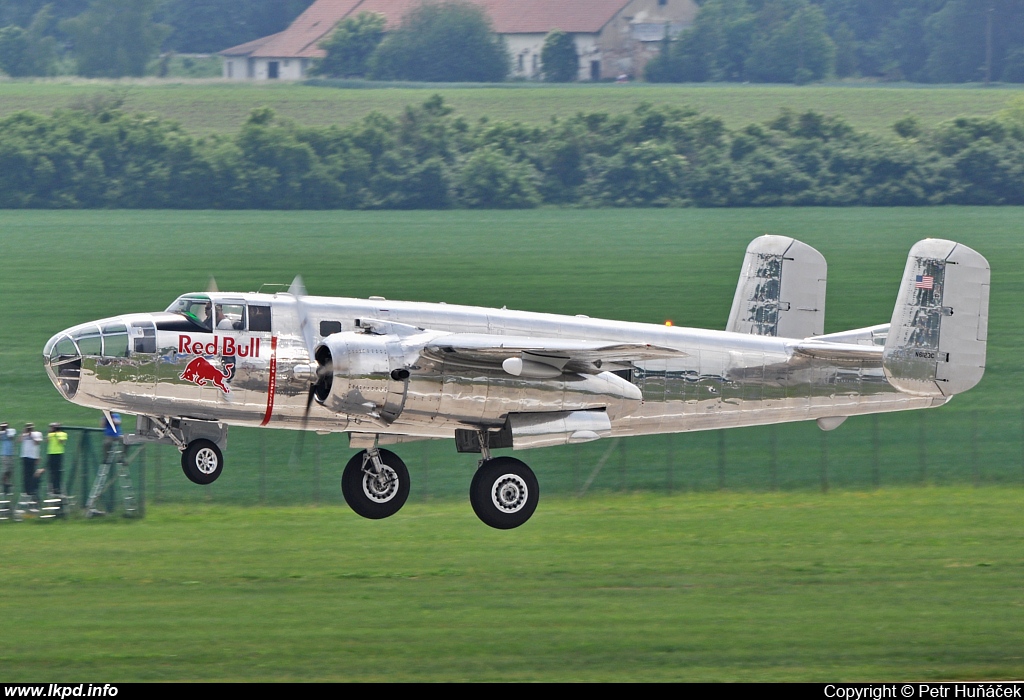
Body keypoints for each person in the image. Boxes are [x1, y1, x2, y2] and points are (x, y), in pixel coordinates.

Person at [19, 423, 43, 505]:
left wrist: (31, 435)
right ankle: (27, 490)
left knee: (33, 474)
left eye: (30, 428)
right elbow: (19, 440)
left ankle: (33, 491)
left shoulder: (37, 434)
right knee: (26, 475)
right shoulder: (24, 434)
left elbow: (37, 443)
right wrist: (23, 433)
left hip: (33, 457)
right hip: (25, 456)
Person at [46, 423, 68, 496]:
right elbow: (47, 440)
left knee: (58, 472)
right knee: (52, 471)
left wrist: (56, 434)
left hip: (58, 453)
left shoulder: (63, 434)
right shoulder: (50, 434)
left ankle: (57, 488)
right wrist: (51, 433)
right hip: (51, 453)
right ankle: (52, 487)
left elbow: (61, 441)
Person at [0, 422, 15, 495]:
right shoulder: (1, 433)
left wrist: (5, 431)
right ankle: (5, 484)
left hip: (11, 453)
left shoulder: (11, 431)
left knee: (10, 470)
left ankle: (7, 482)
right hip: (4, 454)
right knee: (5, 469)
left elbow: (11, 437)